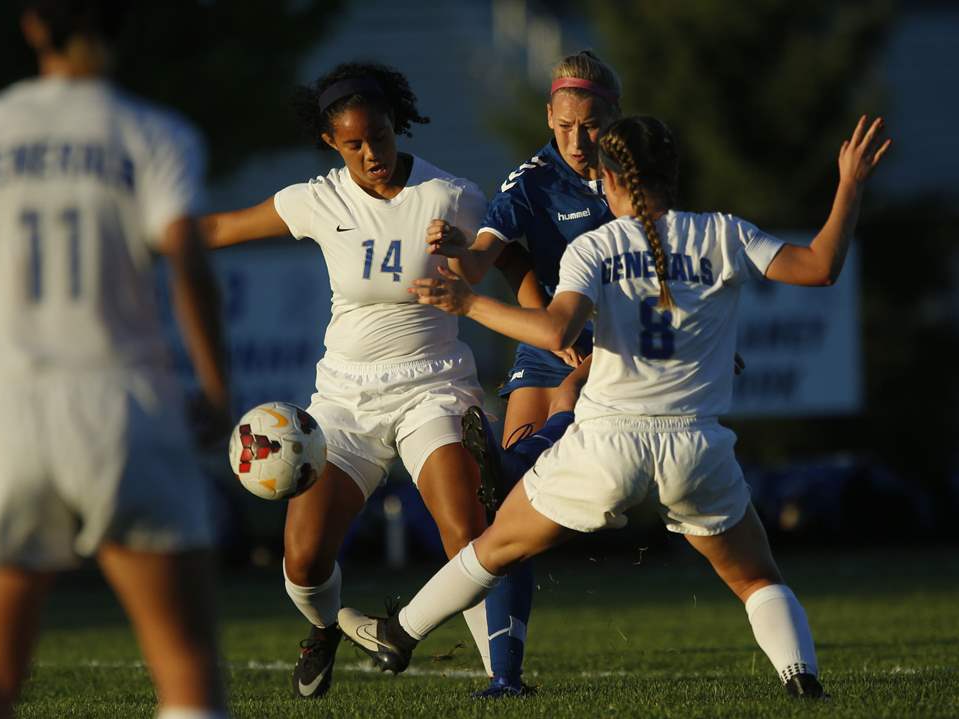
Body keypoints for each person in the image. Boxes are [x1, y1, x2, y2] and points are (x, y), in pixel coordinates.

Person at [338, 114, 891, 699]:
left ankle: (399, 634)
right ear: (674, 174)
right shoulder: (724, 233)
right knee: (756, 577)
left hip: (607, 445)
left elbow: (555, 332)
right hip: (695, 448)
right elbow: (821, 267)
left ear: (607, 180)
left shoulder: (596, 245)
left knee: (495, 545)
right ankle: (802, 683)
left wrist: (467, 305)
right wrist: (849, 184)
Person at [0, 2, 231, 718]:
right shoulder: (154, 132)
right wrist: (213, 382)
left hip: (1, 407)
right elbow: (187, 259)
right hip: (119, 399)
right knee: (186, 666)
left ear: (33, 25)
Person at [198, 62, 494, 699]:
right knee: (302, 561)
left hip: (432, 388)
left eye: (380, 137)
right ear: (331, 143)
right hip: (345, 402)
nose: (371, 154)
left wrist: (469, 258)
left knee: (465, 533)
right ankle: (325, 627)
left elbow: (494, 261)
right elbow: (218, 228)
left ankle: (503, 678)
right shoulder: (318, 198)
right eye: (354, 144)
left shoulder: (451, 195)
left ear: (397, 126)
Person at [425, 49, 623, 697]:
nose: (575, 139)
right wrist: (457, 255)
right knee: (503, 516)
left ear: (612, 118)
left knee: (523, 475)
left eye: (589, 125)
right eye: (563, 125)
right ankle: (505, 678)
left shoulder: (638, 174)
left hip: (619, 348)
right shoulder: (531, 180)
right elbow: (484, 259)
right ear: (548, 116)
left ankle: (517, 456)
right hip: (548, 344)